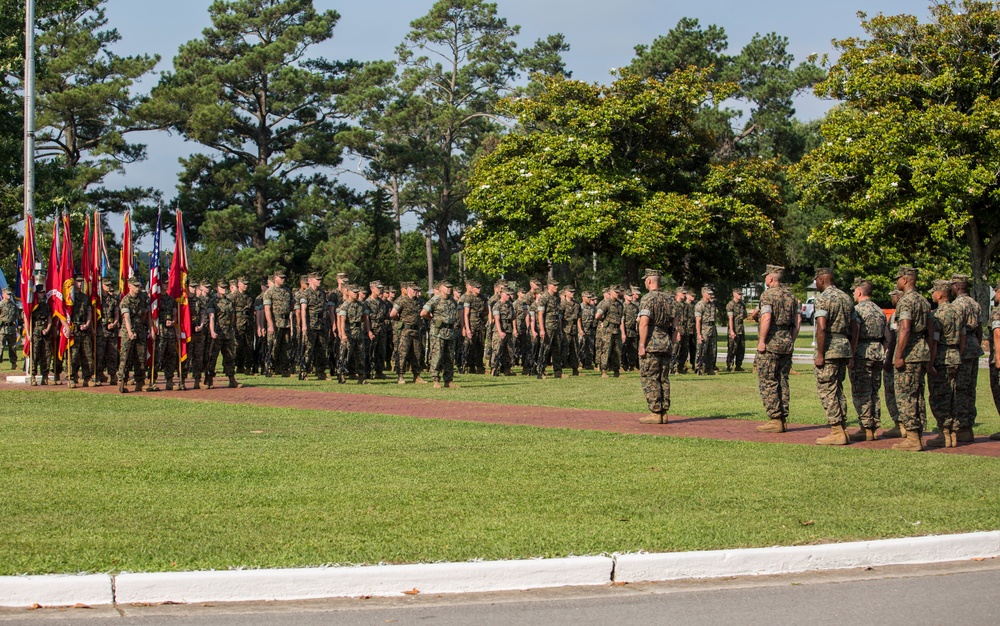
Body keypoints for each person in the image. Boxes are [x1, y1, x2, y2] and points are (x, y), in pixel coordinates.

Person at [812, 268, 855, 445]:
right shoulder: (846, 297)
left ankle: (837, 430)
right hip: (843, 346)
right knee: (838, 389)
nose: (815, 283)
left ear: (821, 280)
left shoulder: (823, 298)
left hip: (829, 348)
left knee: (827, 390)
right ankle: (842, 428)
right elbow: (855, 326)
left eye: (816, 280)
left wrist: (820, 354)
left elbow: (822, 327)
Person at [891, 266, 932, 452]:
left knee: (905, 395)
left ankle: (913, 438)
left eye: (898, 278)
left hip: (910, 353)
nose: (897, 282)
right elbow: (930, 330)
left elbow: (905, 328)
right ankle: (917, 435)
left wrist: (899, 355)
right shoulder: (923, 300)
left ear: (905, 280)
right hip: (922, 350)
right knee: (917, 395)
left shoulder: (906, 301)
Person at [756, 265, 798, 433]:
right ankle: (783, 418)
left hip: (771, 343)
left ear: (770, 278)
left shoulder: (767, 295)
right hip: (786, 341)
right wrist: (791, 339)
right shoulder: (790, 296)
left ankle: (775, 419)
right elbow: (797, 321)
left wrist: (762, 341)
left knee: (768, 380)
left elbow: (766, 318)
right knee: (783, 380)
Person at [848, 278, 887, 441]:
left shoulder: (857, 310)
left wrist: (851, 354)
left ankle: (866, 427)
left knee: (861, 391)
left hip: (862, 353)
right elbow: (886, 335)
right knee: (874, 391)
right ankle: (873, 426)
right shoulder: (879, 310)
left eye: (854, 291)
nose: (853, 294)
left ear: (859, 292)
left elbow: (855, 331)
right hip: (877, 351)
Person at [926, 279, 964, 448]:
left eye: (934, 292)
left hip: (941, 358)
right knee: (953, 395)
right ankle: (952, 434)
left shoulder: (937, 315)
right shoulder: (957, 311)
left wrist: (930, 363)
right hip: (955, 355)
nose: (932, 295)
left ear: (940, 294)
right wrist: (958, 354)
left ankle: (944, 433)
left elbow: (934, 341)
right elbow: (963, 337)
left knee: (939, 396)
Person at [638, 269, 677, 424]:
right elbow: (675, 325)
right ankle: (664, 412)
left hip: (652, 343)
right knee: (663, 378)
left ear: (649, 281)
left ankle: (655, 412)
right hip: (665, 342)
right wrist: (671, 342)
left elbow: (644, 323)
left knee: (650, 377)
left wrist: (642, 345)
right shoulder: (670, 299)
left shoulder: (647, 298)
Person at [950, 274, 982, 443]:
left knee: (960, 388)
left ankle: (962, 426)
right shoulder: (975, 303)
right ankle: (968, 424)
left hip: (962, 347)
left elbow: (958, 330)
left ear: (956, 287)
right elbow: (980, 329)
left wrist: (957, 351)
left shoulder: (957, 305)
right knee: (970, 388)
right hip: (974, 346)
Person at [422, 280, 459, 388]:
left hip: (450, 332)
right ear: (441, 288)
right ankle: (435, 380)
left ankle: (448, 380)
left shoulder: (452, 300)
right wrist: (433, 320)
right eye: (446, 287)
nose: (449, 289)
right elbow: (423, 313)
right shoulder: (435, 299)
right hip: (438, 332)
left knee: (450, 357)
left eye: (450, 287)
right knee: (437, 356)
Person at [207, 279, 242, 389]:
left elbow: (232, 317)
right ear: (217, 288)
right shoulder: (213, 301)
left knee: (229, 357)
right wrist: (212, 331)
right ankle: (209, 380)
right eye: (222, 287)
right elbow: (212, 317)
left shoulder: (229, 301)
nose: (224, 289)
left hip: (228, 333)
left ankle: (232, 379)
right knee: (213, 357)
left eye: (225, 287)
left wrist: (232, 329)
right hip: (217, 333)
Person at [390, 282, 426, 384]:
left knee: (417, 354)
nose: (415, 292)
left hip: (416, 330)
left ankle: (417, 376)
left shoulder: (420, 301)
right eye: (413, 290)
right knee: (403, 353)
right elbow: (392, 314)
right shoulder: (401, 300)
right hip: (405, 331)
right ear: (408, 289)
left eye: (417, 290)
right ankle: (400, 376)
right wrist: (400, 320)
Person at [117, 276, 149, 393]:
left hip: (140, 330)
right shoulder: (125, 300)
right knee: (126, 357)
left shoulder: (143, 297)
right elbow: (127, 318)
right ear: (129, 286)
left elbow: (147, 312)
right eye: (135, 286)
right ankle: (122, 381)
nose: (137, 288)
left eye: (138, 286)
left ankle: (140, 382)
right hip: (128, 332)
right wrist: (130, 332)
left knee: (140, 357)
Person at [337, 284, 373, 384]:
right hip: (349, 333)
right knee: (345, 355)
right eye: (354, 292)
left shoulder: (361, 305)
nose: (356, 294)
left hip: (359, 332)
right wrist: (343, 333)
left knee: (361, 355)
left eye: (357, 292)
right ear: (348, 292)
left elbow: (365, 319)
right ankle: (342, 375)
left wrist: (369, 331)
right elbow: (342, 321)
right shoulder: (345, 306)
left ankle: (361, 377)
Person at [881, 290, 904, 437]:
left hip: (896, 357)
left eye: (893, 296)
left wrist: (889, 358)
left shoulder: (899, 314)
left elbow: (893, 338)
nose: (892, 299)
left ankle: (901, 424)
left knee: (893, 391)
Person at [264, 269, 293, 377]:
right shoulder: (269, 292)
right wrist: (271, 325)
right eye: (281, 277)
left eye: (284, 277)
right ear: (275, 278)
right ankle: (270, 368)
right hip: (275, 322)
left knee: (286, 346)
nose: (283, 279)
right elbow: (267, 309)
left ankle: (284, 369)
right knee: (273, 346)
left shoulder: (287, 291)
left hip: (286, 323)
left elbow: (291, 306)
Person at [299, 272, 329, 380]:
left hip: (321, 324)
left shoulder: (322, 293)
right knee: (308, 349)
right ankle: (304, 371)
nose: (319, 281)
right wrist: (304, 325)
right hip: (311, 324)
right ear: (310, 280)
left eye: (320, 279)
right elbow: (303, 310)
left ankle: (320, 372)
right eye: (317, 279)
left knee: (322, 349)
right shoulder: (305, 293)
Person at [535, 278, 563, 379]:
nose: (556, 287)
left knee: (557, 349)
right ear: (549, 286)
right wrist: (542, 329)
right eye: (554, 285)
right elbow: (540, 314)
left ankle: (558, 372)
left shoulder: (556, 298)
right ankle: (540, 371)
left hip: (556, 327)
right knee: (545, 349)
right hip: (547, 327)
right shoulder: (544, 298)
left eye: (557, 285)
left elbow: (558, 313)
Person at [595, 285, 625, 378]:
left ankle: (616, 371)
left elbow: (621, 319)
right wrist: (603, 321)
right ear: (610, 292)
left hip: (617, 329)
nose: (617, 294)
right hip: (608, 330)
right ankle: (603, 370)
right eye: (615, 292)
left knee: (617, 351)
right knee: (606, 350)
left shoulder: (620, 304)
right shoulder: (606, 303)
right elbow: (597, 315)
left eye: (618, 292)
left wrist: (623, 332)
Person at [490, 286, 517, 376]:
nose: (508, 296)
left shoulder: (510, 305)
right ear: (501, 294)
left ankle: (507, 369)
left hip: (508, 329)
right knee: (497, 350)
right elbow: (497, 320)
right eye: (506, 294)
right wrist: (500, 331)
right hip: (499, 330)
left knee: (509, 350)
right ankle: (494, 369)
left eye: (509, 295)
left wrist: (514, 329)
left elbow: (513, 317)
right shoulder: (497, 305)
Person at [29, 283, 51, 385]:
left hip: (45, 332)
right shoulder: (32, 306)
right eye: (40, 292)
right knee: (35, 354)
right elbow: (27, 319)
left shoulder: (46, 306)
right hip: (35, 332)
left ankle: (45, 376)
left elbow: (49, 318)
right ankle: (33, 376)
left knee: (46, 354)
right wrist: (28, 333)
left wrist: (48, 329)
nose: (42, 294)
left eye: (43, 292)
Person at [694, 286, 718, 375]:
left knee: (712, 349)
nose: (710, 295)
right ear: (703, 294)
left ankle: (709, 368)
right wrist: (699, 334)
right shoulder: (700, 305)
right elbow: (698, 321)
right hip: (704, 329)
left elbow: (715, 317)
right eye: (709, 293)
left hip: (712, 328)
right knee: (702, 349)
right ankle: (699, 368)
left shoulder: (712, 305)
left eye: (711, 293)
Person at [560, 286, 583, 376]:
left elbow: (579, 318)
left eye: (573, 291)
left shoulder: (577, 304)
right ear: (565, 293)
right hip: (565, 329)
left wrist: (580, 329)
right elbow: (560, 318)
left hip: (574, 329)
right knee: (564, 350)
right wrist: (560, 330)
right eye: (570, 292)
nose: (572, 293)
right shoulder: (562, 304)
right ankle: (560, 370)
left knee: (575, 349)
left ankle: (575, 369)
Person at [988, 281, 1000, 442]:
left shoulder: (997, 312)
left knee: (998, 391)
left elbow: (997, 334)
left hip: (998, 358)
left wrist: (998, 358)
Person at [725, 288, 747, 372]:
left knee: (741, 348)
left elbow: (744, 315)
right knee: (732, 348)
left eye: (741, 294)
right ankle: (729, 365)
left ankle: (738, 365)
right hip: (734, 328)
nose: (740, 296)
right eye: (738, 294)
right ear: (734, 294)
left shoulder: (742, 305)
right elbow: (730, 319)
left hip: (741, 328)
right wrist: (732, 331)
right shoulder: (730, 305)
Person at [0, 287, 18, 370]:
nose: (9, 295)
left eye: (10, 294)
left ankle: (14, 363)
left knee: (13, 347)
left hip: (11, 328)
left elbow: (16, 315)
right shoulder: (1, 305)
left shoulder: (13, 305)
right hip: (2, 329)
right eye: (8, 294)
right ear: (3, 294)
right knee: (1, 347)